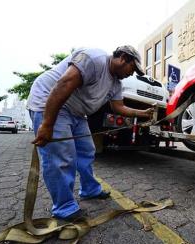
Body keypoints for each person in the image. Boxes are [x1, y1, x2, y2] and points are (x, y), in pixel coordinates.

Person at [27, 45, 153, 221]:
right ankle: (64, 207)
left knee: (86, 149)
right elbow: (64, 83)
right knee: (62, 157)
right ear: (123, 58)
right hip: (50, 102)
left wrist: (143, 113)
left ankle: (90, 189)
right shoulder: (94, 59)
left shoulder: (116, 83)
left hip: (76, 111)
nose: (132, 74)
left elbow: (118, 107)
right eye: (133, 68)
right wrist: (48, 123)